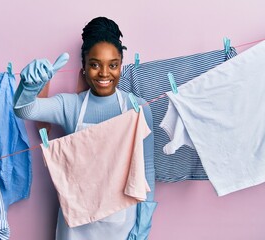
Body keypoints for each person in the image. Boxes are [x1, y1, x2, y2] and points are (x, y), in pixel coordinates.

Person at [13, 16, 156, 240]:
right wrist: (29, 85)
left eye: (113, 65)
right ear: (85, 66)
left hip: (122, 225)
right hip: (75, 228)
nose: (104, 74)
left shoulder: (137, 108)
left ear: (121, 64)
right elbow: (25, 110)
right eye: (95, 64)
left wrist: (142, 226)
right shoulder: (71, 106)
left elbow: (147, 170)